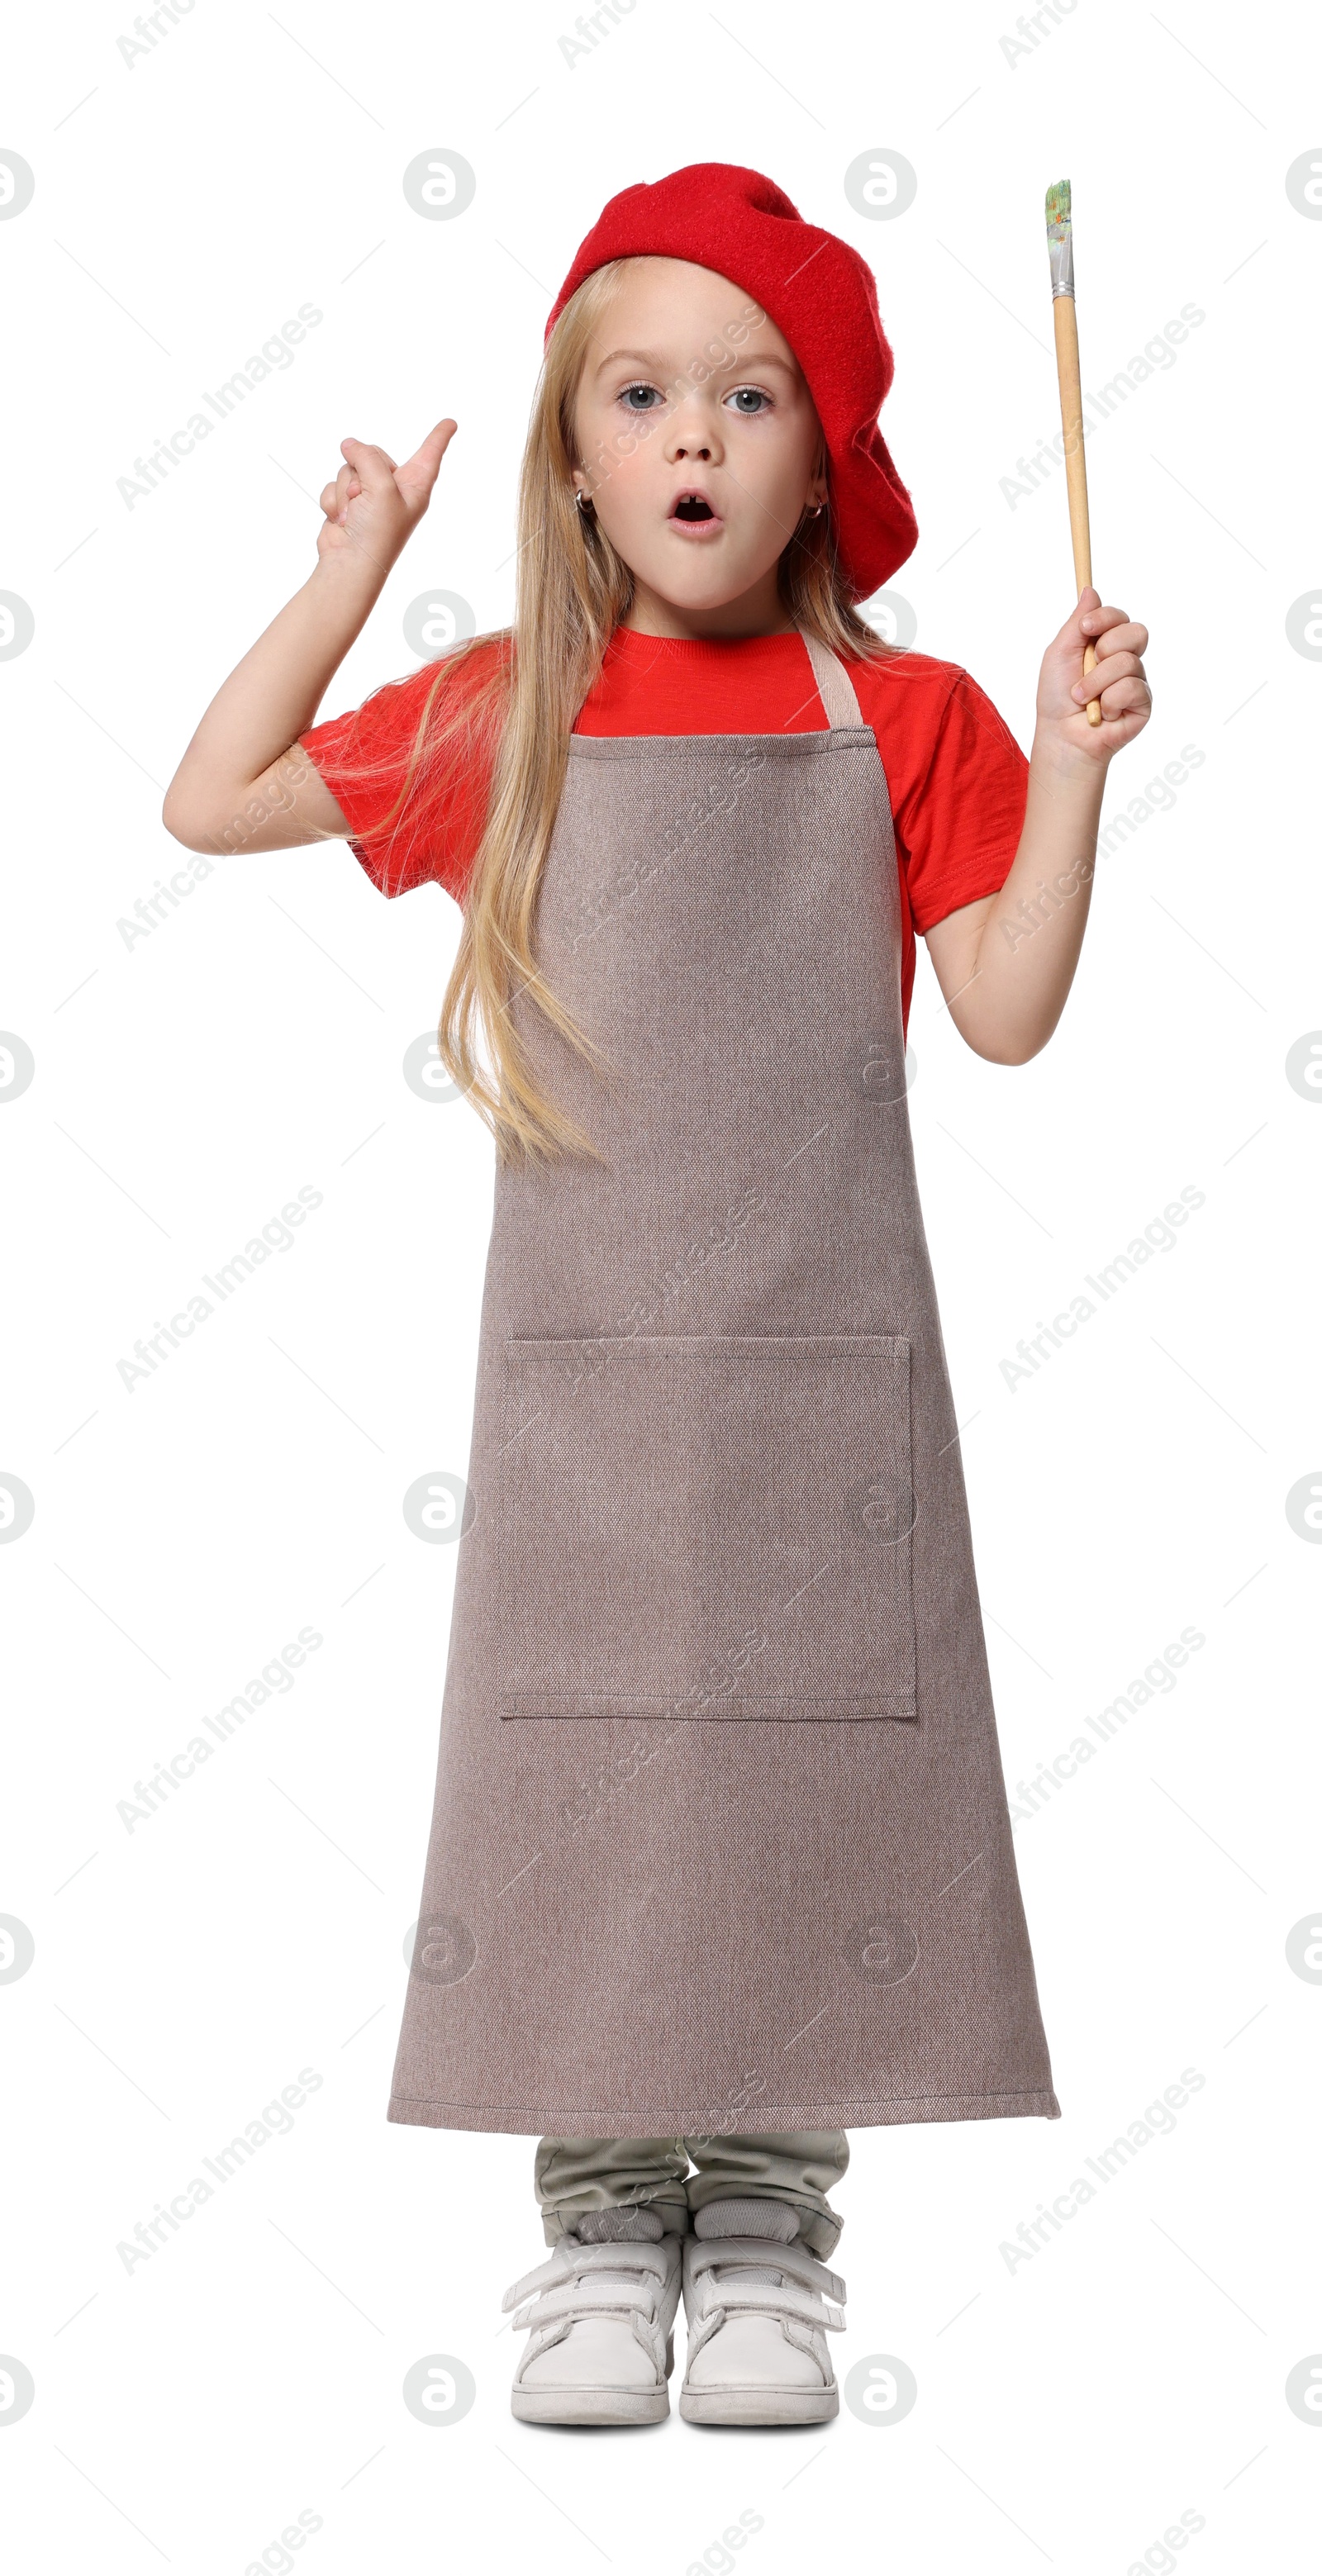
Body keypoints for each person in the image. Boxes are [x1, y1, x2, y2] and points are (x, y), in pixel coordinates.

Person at [164, 162, 1152, 2431]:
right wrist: (349, 573)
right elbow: (211, 800)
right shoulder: (511, 706)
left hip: (827, 1390)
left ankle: (778, 2222)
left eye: (751, 395)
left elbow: (1003, 1009)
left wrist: (1074, 768)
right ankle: (604, 2223)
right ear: (577, 452)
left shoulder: (901, 724)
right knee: (588, 1781)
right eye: (641, 393)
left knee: (810, 1797)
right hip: (587, 1396)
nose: (695, 436)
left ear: (821, 459)